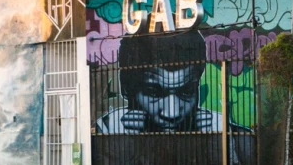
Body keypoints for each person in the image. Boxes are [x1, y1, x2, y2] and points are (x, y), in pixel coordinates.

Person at [96, 31, 245, 134]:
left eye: (186, 92)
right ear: (125, 87)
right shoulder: (106, 130)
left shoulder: (224, 132)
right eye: (154, 93)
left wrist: (225, 138)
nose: (171, 113)